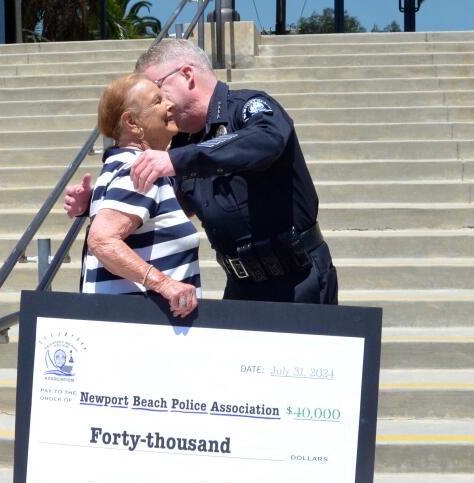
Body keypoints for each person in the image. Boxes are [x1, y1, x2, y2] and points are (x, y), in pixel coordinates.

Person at [66, 39, 337, 305]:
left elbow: (266, 140)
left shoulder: (246, 108)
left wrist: (179, 160)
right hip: (241, 287)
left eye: (158, 89)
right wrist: (101, 202)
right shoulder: (183, 143)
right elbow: (165, 206)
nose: (165, 105)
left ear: (186, 75)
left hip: (298, 282)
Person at [82, 73, 200, 318]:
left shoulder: (120, 165)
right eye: (157, 101)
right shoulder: (140, 169)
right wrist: (164, 284)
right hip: (142, 328)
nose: (169, 105)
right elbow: (102, 241)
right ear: (132, 122)